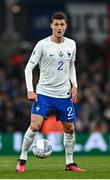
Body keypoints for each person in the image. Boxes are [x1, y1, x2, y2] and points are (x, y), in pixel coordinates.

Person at [16, 12, 85, 173]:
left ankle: (70, 163)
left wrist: (74, 85)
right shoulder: (42, 45)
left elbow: (71, 67)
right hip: (44, 93)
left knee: (70, 129)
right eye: (57, 24)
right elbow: (28, 68)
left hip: (63, 95)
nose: (59, 27)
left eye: (62, 24)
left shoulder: (71, 44)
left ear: (66, 26)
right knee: (35, 126)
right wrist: (30, 90)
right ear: (51, 26)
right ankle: (22, 159)